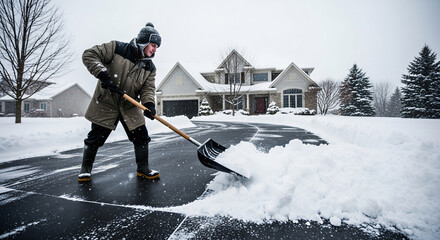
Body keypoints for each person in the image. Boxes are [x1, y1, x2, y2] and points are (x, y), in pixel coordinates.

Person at [78, 22, 161, 182]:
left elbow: (148, 88)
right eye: (153, 45)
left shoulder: (150, 67)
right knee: (95, 137)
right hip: (106, 102)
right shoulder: (116, 48)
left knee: (142, 137)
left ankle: (143, 169)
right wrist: (102, 74)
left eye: (157, 47)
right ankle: (85, 169)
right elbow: (89, 55)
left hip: (130, 106)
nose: (155, 50)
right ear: (144, 41)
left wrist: (149, 104)